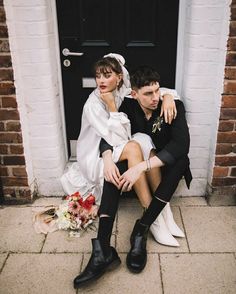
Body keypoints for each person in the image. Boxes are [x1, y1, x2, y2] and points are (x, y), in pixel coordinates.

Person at [73, 65, 192, 288]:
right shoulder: (126, 105)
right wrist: (107, 157)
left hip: (164, 168)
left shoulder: (172, 105)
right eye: (148, 93)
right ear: (134, 93)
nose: (155, 98)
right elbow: (109, 134)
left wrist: (168, 96)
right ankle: (104, 248)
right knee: (120, 159)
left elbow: (181, 146)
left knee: (180, 160)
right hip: (137, 165)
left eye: (158, 91)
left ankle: (145, 224)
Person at [61, 53, 180, 237]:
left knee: (144, 140)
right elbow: (117, 138)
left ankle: (164, 210)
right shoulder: (93, 105)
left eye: (107, 75)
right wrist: (111, 107)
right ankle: (152, 217)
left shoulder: (120, 90)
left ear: (119, 78)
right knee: (134, 147)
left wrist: (169, 97)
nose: (101, 80)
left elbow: (148, 91)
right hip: (95, 156)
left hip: (115, 143)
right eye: (98, 76)